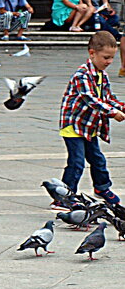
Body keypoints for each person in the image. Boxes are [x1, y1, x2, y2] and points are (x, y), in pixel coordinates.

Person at [59, 30, 125, 204]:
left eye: (112, 58)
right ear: (92, 53)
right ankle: (64, 196)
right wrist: (113, 112)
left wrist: (122, 107)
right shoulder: (83, 74)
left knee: (97, 159)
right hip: (74, 125)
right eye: (106, 57)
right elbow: (91, 99)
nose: (109, 62)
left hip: (89, 126)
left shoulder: (102, 75)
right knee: (77, 162)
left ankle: (102, 187)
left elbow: (108, 97)